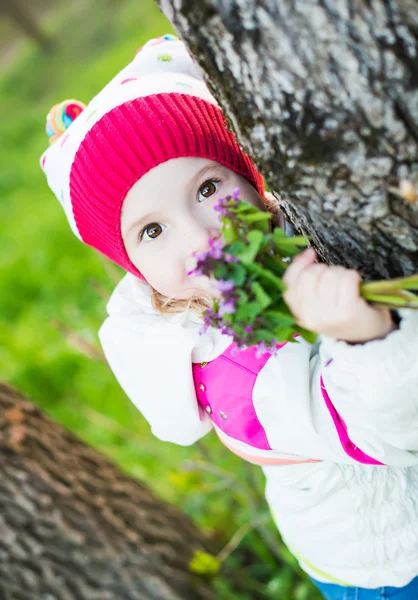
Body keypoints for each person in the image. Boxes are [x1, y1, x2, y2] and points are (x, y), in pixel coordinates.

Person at [40, 34, 418, 600]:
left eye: (209, 187)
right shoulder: (226, 368)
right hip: (387, 561)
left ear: (252, 178)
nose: (200, 237)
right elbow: (384, 434)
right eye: (152, 230)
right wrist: (365, 339)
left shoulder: (288, 232)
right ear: (132, 266)